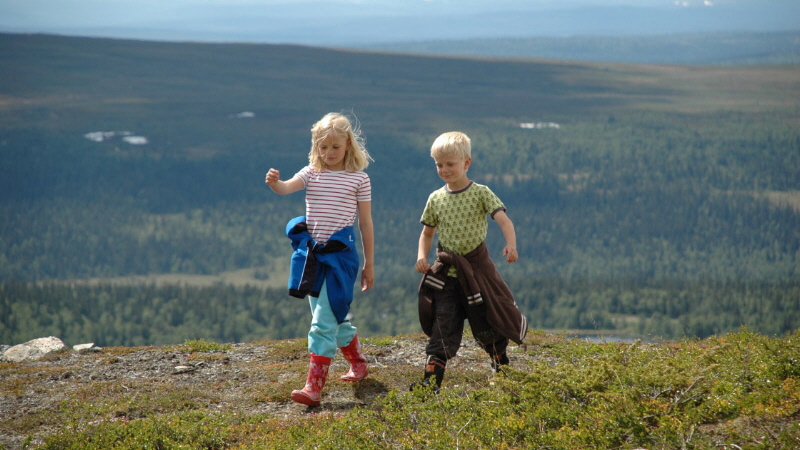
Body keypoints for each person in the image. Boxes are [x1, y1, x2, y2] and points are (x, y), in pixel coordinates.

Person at [265, 112, 374, 407]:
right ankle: (359, 364)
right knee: (331, 317)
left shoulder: (359, 179)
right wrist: (275, 182)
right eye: (323, 147)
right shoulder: (311, 172)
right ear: (316, 146)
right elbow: (287, 187)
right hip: (312, 258)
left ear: (348, 145)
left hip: (341, 259)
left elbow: (365, 223)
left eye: (335, 147)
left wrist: (369, 264)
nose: (329, 153)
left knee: (321, 322)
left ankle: (314, 387)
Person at [412, 131, 527, 392]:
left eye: (450, 164)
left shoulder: (481, 193)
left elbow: (503, 220)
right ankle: (430, 385)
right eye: (439, 164)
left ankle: (501, 366)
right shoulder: (435, 198)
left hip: (477, 274)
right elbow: (427, 233)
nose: (444, 170)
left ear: (466, 163)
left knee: (487, 323)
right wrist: (422, 256)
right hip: (447, 277)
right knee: (442, 326)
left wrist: (511, 244)